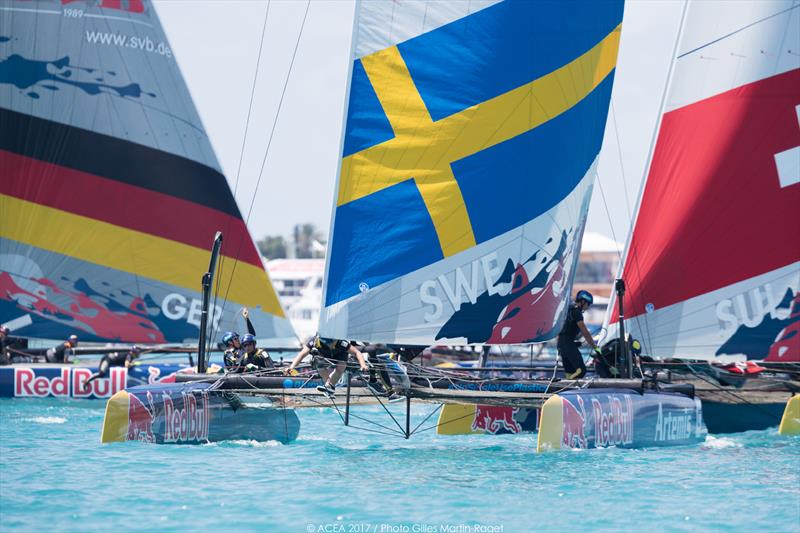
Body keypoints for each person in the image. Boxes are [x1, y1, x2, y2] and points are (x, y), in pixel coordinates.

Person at [285, 334, 368, 398]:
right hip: (324, 357)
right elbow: (302, 354)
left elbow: (357, 352)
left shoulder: (341, 343)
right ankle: (328, 385)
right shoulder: (315, 341)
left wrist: (363, 365)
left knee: (341, 366)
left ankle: (330, 386)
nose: (330, 344)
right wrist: (292, 367)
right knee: (318, 362)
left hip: (339, 355)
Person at [557, 291, 601, 379]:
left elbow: (565, 330)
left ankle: (567, 387)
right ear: (583, 302)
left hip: (562, 344)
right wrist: (595, 347)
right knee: (581, 370)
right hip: (567, 343)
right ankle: (569, 383)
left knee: (570, 372)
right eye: (588, 304)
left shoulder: (569, 308)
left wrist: (573, 343)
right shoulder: (576, 312)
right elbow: (585, 332)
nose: (588, 307)